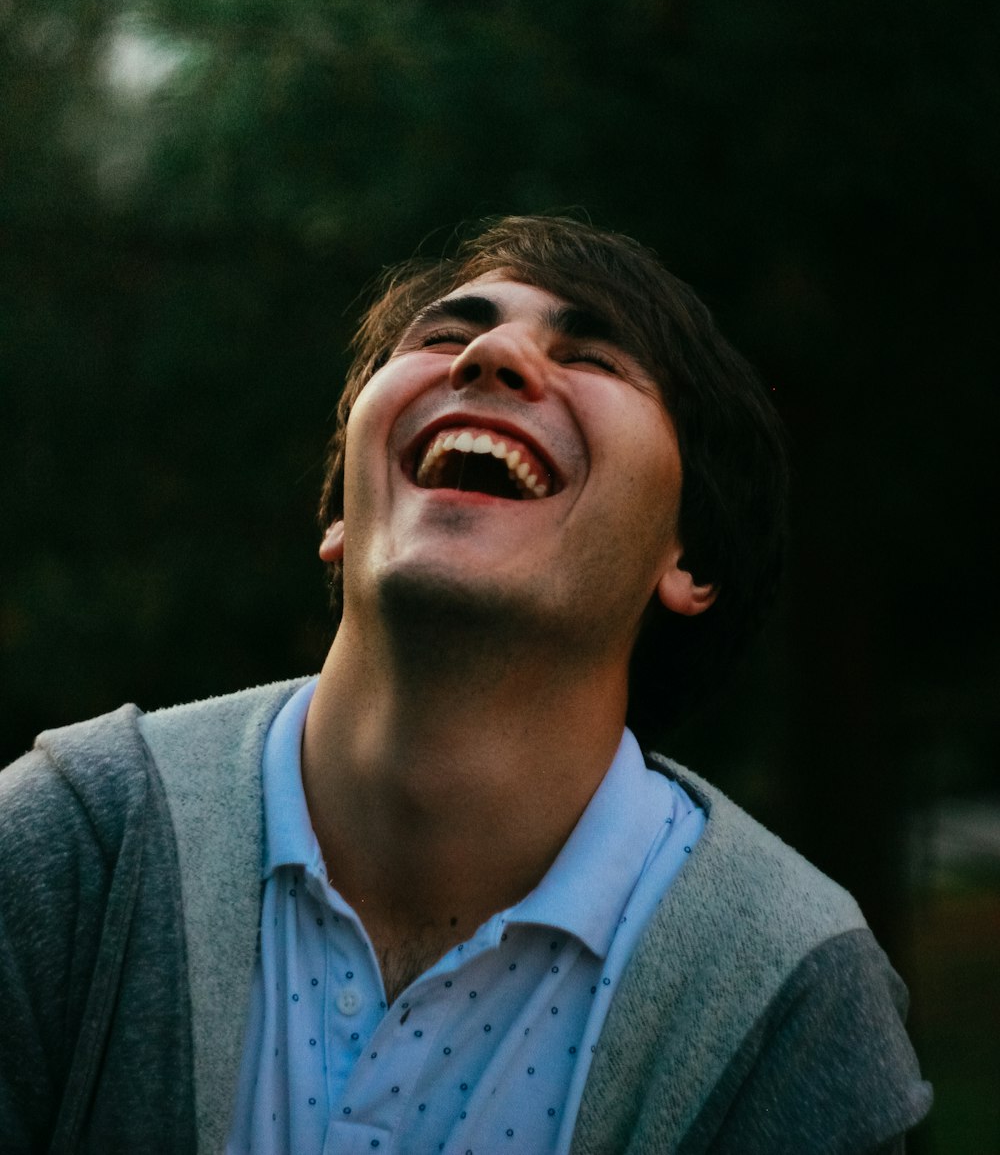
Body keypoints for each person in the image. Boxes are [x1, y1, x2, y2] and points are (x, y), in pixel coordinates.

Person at [0, 215, 930, 1154]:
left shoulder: (789, 993)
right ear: (338, 516)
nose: (490, 355)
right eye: (445, 336)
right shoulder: (75, 851)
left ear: (688, 557)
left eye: (595, 357)